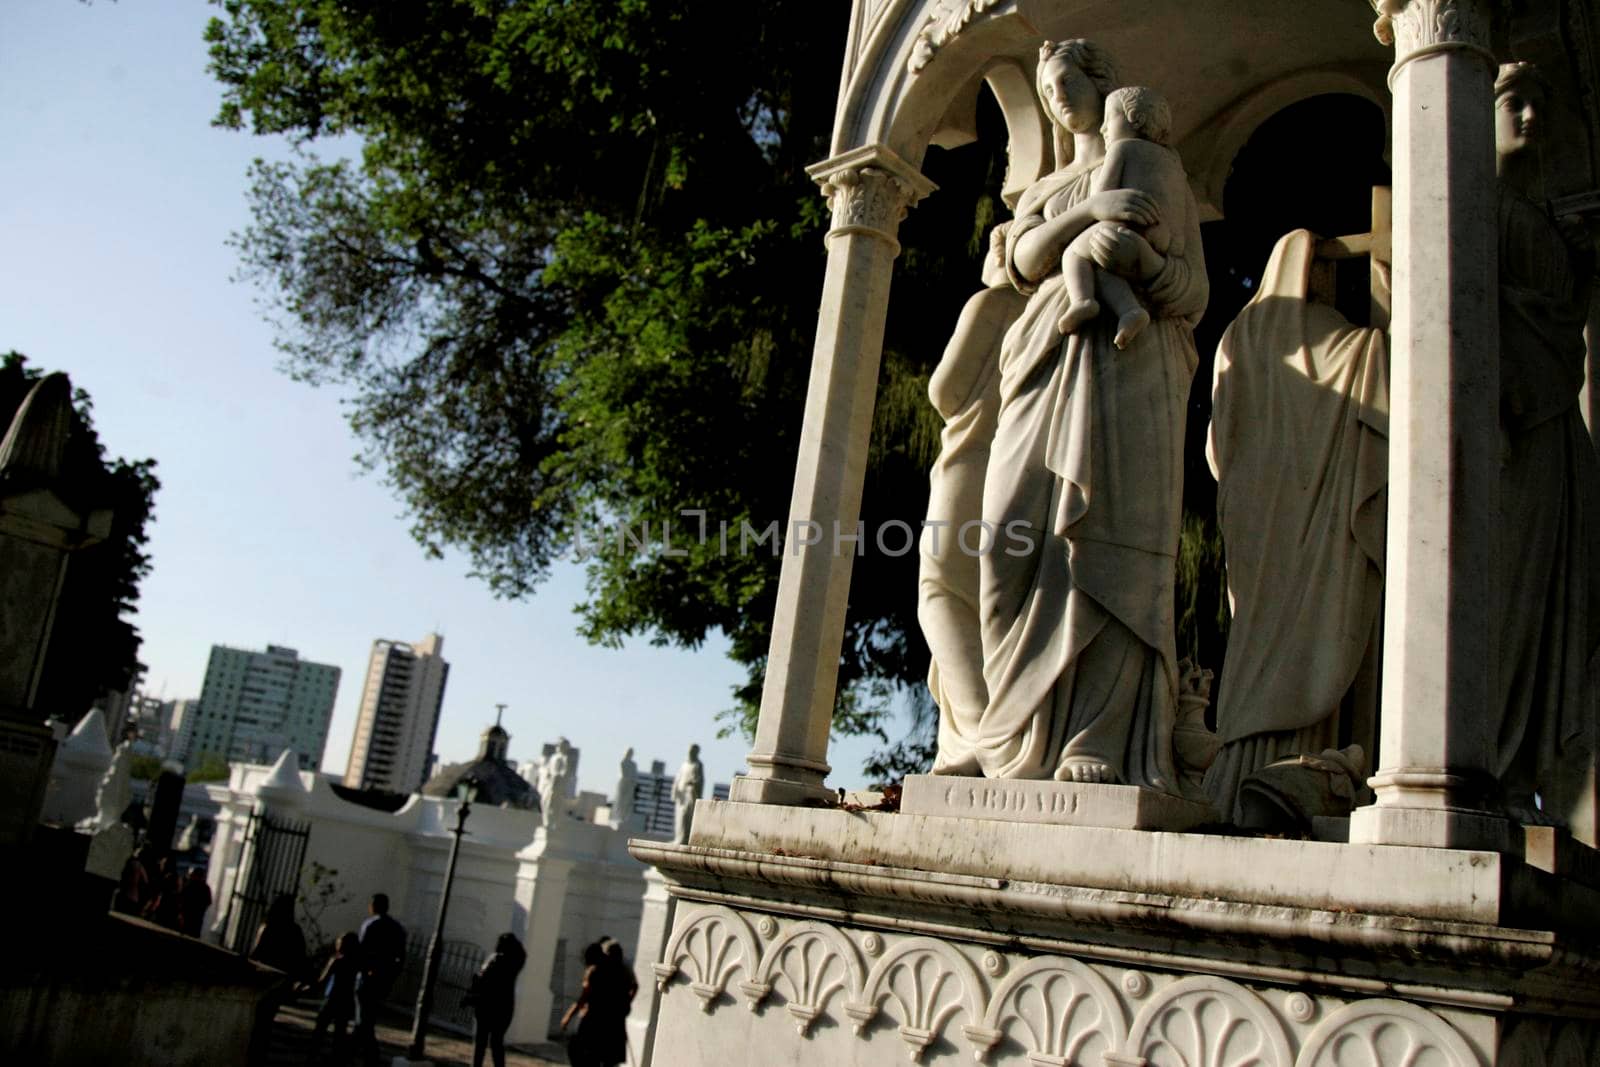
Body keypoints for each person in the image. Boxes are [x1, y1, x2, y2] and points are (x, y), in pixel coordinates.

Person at [964, 38, 1207, 786]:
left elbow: (1192, 291)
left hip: (1129, 366)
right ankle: (1017, 735)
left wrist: (1142, 267)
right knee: (1005, 539)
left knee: (1106, 537)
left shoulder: (1157, 171)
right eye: (1044, 90)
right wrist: (1092, 210)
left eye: (1065, 83)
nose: (1055, 100)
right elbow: (1025, 261)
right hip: (1042, 355)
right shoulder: (1050, 187)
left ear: (1103, 84)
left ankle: (1095, 737)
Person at [1490, 61, 1600, 837]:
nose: (1529, 116)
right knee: (1506, 598)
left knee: (1555, 597)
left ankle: (1528, 772)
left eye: (1537, 101)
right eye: (1512, 101)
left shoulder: (1536, 215)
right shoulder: (1471, 202)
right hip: (1510, 428)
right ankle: (1489, 763)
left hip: (1556, 428)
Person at [921, 222, 1028, 775]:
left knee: (940, 590)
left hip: (970, 465)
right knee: (991, 608)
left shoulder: (994, 303)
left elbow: (946, 391)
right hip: (1023, 478)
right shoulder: (1051, 313)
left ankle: (981, 734)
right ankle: (984, 730)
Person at [1056, 85, 1188, 350]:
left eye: (1108, 120)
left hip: (1125, 227)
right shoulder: (1172, 163)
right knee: (1107, 262)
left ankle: (1083, 300)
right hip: (1163, 239)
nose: (1103, 129)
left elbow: (1103, 195)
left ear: (1134, 120)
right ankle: (1130, 312)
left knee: (1076, 254)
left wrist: (1093, 204)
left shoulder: (1122, 149)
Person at [353, 892, 406, 1065]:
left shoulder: (371, 924)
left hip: (368, 976)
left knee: (364, 1018)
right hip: (383, 978)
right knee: (368, 1016)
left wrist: (363, 970)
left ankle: (369, 1053)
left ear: (373, 906)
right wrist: (391, 975)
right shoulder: (397, 928)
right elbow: (400, 957)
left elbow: (361, 951)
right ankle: (359, 1050)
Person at [560, 941, 628, 1067]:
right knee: (605, 1059)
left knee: (579, 1052)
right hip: (613, 1021)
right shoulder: (620, 971)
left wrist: (568, 1016)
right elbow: (631, 988)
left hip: (593, 1020)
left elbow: (583, 998)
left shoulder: (594, 971)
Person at [468, 932, 527, 1067]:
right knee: (496, 1043)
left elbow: (481, 978)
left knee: (481, 1042)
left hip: (487, 1004)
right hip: (505, 1007)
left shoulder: (495, 960)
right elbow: (522, 954)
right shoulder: (515, 963)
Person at [314, 931, 362, 1055]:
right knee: (340, 1031)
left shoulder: (336, 960)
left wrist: (306, 986)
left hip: (332, 998)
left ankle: (314, 1054)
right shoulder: (357, 962)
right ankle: (336, 1057)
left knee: (320, 1027)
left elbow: (322, 980)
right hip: (347, 1000)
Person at [249, 892, 307, 978]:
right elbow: (300, 955)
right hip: (285, 974)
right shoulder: (295, 930)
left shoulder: (271, 927)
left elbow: (260, 950)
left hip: (268, 971)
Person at [671, 744, 704, 844]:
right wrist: (675, 790)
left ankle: (684, 838)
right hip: (681, 793)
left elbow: (700, 780)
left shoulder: (698, 765)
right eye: (690, 750)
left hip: (690, 792)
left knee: (686, 816)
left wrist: (693, 785)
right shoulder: (684, 764)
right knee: (679, 816)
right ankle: (678, 837)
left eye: (693, 751)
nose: (690, 752)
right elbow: (678, 778)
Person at [178, 867, 212, 938]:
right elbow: (208, 902)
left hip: (188, 915)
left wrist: (181, 912)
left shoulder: (190, 886)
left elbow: (181, 899)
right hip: (196, 917)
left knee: (183, 935)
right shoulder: (205, 888)